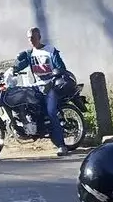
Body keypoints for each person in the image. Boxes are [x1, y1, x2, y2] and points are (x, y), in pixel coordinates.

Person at [13, 27, 70, 157]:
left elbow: (60, 67)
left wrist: (55, 75)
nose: (31, 41)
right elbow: (20, 65)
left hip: (51, 86)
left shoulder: (50, 50)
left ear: (39, 37)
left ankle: (61, 145)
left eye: (33, 37)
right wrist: (12, 70)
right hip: (36, 86)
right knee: (27, 103)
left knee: (51, 113)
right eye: (29, 38)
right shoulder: (30, 54)